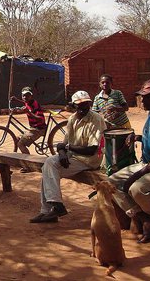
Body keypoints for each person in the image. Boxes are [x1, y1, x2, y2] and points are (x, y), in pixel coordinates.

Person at [109, 79, 150, 243]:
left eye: (147, 97)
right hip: (146, 163)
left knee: (137, 189)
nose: (143, 101)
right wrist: (138, 137)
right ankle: (144, 217)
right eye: (142, 97)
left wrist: (138, 174)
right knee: (110, 182)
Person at [30, 91, 106, 223]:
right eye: (79, 105)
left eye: (86, 104)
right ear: (74, 106)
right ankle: (51, 209)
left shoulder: (96, 119)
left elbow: (91, 149)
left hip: (88, 161)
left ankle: (53, 207)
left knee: (49, 167)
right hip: (73, 158)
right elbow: (63, 144)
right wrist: (62, 152)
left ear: (90, 104)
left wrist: (66, 149)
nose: (83, 107)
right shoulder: (72, 119)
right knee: (48, 167)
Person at [11, 87, 47, 155]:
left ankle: (27, 161)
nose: (25, 97)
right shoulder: (28, 102)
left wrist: (29, 112)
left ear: (31, 96)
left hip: (39, 129)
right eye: (23, 95)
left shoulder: (34, 104)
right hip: (33, 128)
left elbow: (40, 118)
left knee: (20, 144)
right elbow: (24, 102)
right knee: (17, 138)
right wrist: (16, 100)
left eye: (27, 95)